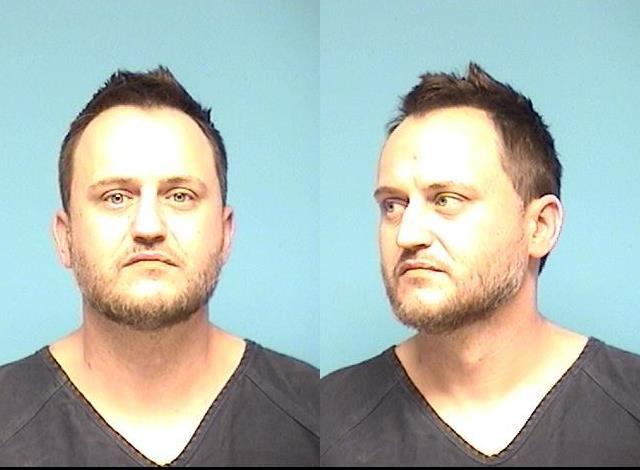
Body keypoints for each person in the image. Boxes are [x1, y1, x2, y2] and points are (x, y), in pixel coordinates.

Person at [321, 63, 640, 466]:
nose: (407, 235)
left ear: (539, 227)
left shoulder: (629, 409)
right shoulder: (328, 422)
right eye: (393, 205)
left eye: (446, 200)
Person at [0, 67, 318, 466]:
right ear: (65, 238)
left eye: (180, 196)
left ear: (225, 234)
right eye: (116, 197)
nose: (148, 227)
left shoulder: (313, 414)